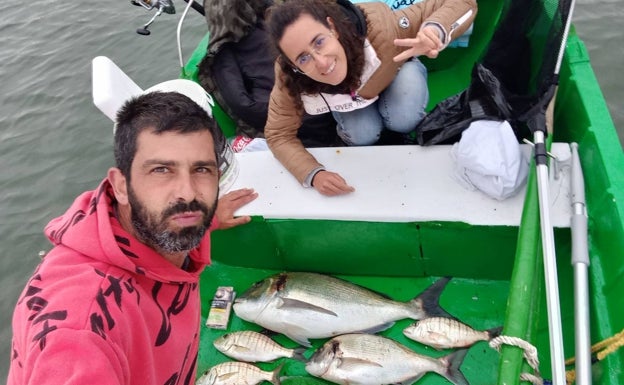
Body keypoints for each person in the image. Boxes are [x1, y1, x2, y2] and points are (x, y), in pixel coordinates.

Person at [7, 91, 258, 385]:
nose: (188, 193)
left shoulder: (160, 223)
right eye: (161, 170)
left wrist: (211, 220)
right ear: (121, 186)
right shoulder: (81, 326)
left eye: (201, 169)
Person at [264, 0, 477, 196]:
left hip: (395, 74)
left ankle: (399, 123)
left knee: (405, 116)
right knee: (362, 135)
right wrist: (313, 174)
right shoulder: (290, 78)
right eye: (303, 58)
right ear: (293, 65)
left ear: (332, 27)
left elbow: (463, 3)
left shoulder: (382, 28)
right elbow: (277, 134)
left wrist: (435, 29)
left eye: (319, 42)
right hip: (355, 103)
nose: (321, 62)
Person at [198, 0, 339, 147]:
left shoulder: (223, 59)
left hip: (298, 116)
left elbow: (242, 104)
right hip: (316, 105)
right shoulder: (270, 23)